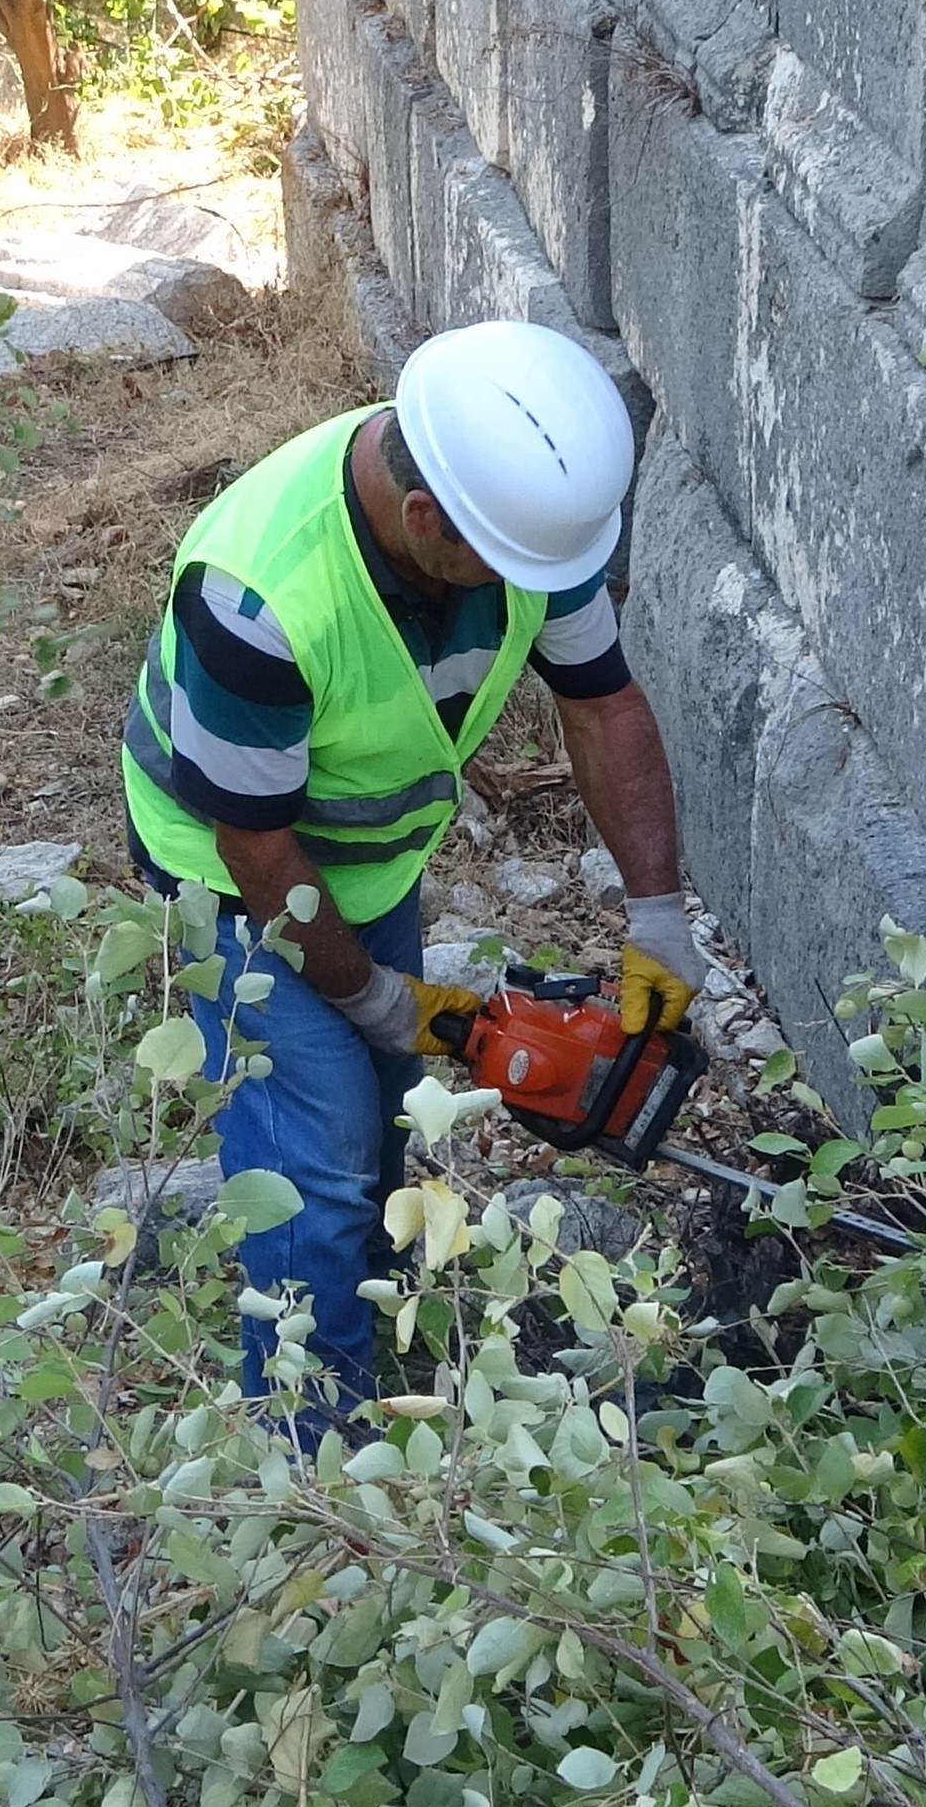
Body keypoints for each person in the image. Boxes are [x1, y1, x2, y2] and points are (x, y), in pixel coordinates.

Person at [117, 318, 704, 1427]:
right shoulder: (258, 594)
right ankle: (304, 1452)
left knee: (387, 1115)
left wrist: (657, 911)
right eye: (508, 567)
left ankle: (359, 1371)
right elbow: (257, 844)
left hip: (363, 859)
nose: (532, 586)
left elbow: (601, 702)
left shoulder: (516, 523)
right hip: (230, 863)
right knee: (319, 1157)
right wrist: (370, 993)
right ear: (424, 517)